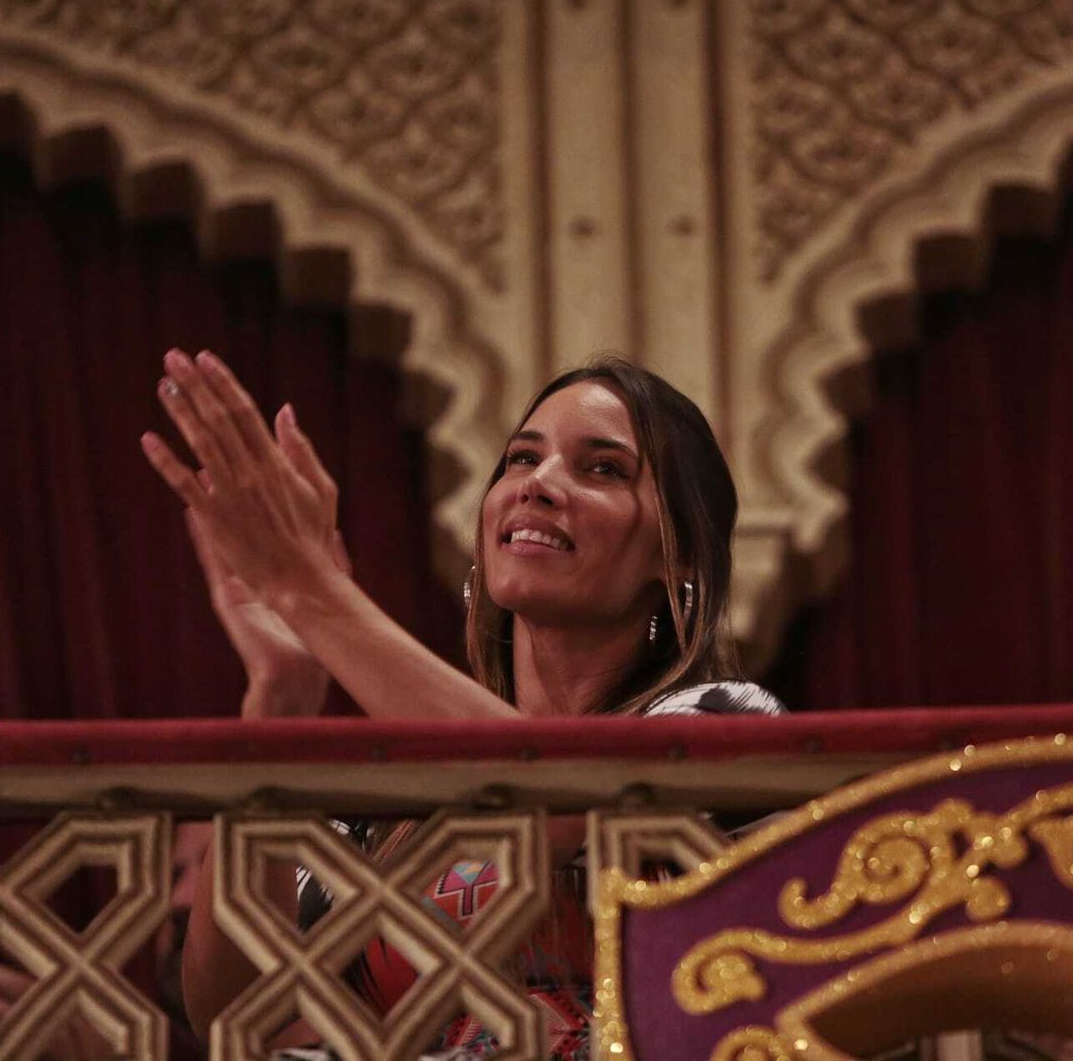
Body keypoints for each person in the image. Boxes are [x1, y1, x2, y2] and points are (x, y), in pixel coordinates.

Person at [141, 351, 783, 1057]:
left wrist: (311, 593)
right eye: (520, 458)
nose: (537, 483)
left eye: (603, 469)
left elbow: (555, 798)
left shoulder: (724, 717)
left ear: (678, 554)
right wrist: (282, 695)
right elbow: (235, 1009)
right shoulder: (385, 809)